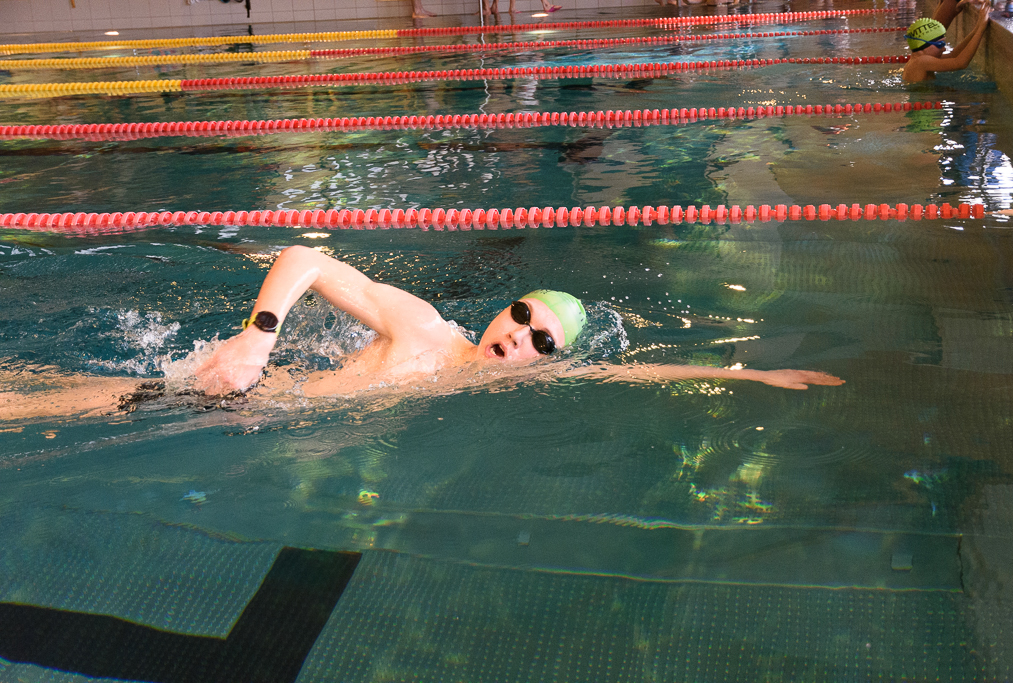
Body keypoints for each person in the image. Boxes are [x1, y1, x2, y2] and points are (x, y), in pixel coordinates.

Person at [0, 246, 842, 423]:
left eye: (545, 343)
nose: (523, 339)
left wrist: (753, 377)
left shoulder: (512, 380)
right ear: (504, 309)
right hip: (221, 393)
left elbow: (635, 375)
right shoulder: (424, 327)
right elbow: (306, 257)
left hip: (248, 419)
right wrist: (258, 336)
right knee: (43, 408)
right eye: (523, 317)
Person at [902, 1, 991, 83]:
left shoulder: (920, 57)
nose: (944, 49)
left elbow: (953, 55)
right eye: (940, 45)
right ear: (922, 47)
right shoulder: (921, 62)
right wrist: (981, 28)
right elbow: (961, 63)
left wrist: (976, 28)